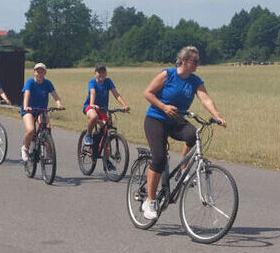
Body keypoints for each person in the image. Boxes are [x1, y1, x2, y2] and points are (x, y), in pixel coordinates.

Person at [141, 46, 226, 219]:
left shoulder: (195, 81)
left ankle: (182, 170)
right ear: (185, 61)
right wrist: (164, 107)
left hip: (176, 120)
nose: (197, 64)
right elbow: (147, 93)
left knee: (193, 135)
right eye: (195, 61)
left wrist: (217, 116)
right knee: (159, 158)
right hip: (156, 118)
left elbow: (205, 98)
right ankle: (150, 200)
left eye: (198, 61)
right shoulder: (168, 75)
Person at [21, 62, 64, 162]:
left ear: (45, 73)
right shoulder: (30, 82)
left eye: (42, 71)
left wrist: (59, 104)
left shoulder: (47, 83)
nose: (39, 73)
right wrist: (26, 106)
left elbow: (55, 95)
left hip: (41, 110)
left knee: (47, 129)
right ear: (34, 72)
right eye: (37, 71)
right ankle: (25, 148)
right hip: (30, 110)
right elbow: (26, 94)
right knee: (31, 130)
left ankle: (49, 154)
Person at [82, 65, 129, 145]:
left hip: (102, 109)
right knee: (94, 117)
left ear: (106, 73)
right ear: (95, 73)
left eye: (103, 72)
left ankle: (104, 154)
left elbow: (116, 94)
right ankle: (88, 135)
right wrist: (92, 104)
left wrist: (125, 105)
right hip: (90, 106)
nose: (102, 74)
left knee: (106, 132)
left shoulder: (108, 81)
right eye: (99, 72)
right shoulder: (92, 82)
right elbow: (93, 92)